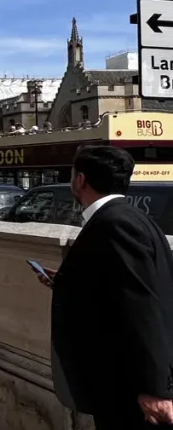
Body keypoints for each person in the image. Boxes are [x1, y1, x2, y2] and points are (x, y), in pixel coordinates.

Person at [38, 146, 173, 429]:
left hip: (127, 387)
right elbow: (116, 289)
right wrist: (67, 283)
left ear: (80, 180)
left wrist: (154, 388)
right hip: (123, 382)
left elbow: (143, 307)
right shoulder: (131, 217)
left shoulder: (114, 224)